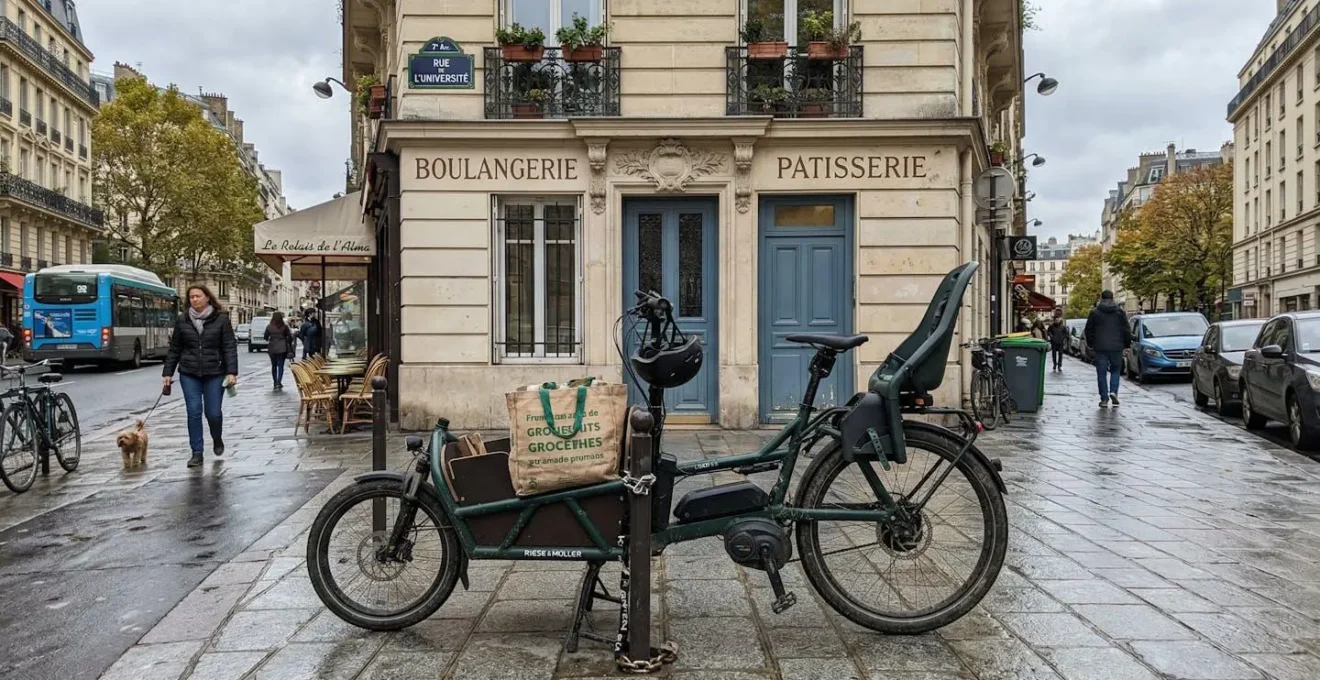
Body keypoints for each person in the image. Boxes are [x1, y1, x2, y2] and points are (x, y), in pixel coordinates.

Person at [163, 285, 238, 468]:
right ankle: (197, 452)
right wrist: (168, 373)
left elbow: (229, 347)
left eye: (198, 296)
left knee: (213, 413)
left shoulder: (221, 319)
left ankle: (217, 438)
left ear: (207, 298)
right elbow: (175, 348)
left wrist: (231, 372)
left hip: (215, 372)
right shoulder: (182, 319)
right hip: (189, 373)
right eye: (191, 297)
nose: (194, 299)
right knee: (193, 411)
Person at [1083, 290, 1132, 408]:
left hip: (1100, 346)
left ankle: (1104, 398)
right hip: (1117, 346)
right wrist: (1127, 344)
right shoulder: (1120, 312)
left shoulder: (1095, 312)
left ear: (1101, 298)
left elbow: (1088, 330)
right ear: (1112, 298)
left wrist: (1090, 344)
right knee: (1115, 370)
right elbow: (1126, 329)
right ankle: (1113, 391)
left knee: (1101, 372)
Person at [264, 311, 295, 389]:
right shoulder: (284, 327)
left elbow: (265, 337)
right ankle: (279, 381)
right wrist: (288, 342)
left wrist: (271, 338)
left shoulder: (269, 326)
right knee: (280, 365)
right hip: (282, 348)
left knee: (274, 365)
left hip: (272, 348)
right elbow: (290, 337)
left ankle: (275, 382)